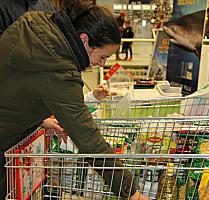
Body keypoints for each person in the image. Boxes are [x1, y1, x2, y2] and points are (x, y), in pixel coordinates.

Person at [0, 1, 148, 199]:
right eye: (103, 56)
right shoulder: (59, 72)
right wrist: (132, 192)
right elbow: (89, 140)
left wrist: (37, 119)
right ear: (84, 39)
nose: (100, 63)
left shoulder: (35, 26)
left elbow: (17, 83)